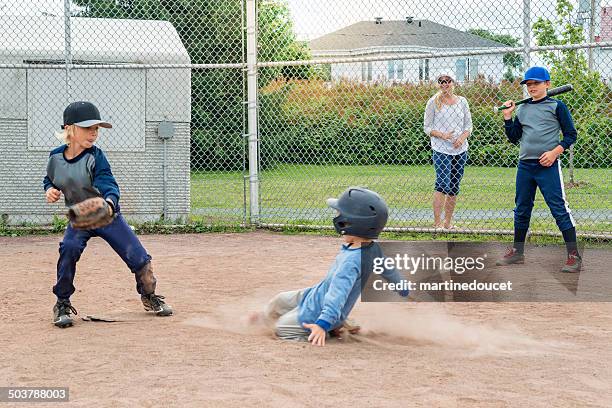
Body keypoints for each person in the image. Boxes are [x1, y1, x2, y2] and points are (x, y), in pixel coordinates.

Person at [44, 101, 173, 328]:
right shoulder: (55, 157)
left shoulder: (96, 157)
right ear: (69, 128)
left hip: (107, 216)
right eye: (87, 128)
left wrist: (110, 202)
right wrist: (50, 190)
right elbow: (51, 179)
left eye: (96, 128)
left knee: (139, 257)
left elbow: (107, 182)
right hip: (80, 218)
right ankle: (62, 302)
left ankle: (149, 295)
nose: (94, 133)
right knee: (68, 249)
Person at [250, 187, 409, 346]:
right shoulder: (372, 248)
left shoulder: (350, 262)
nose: (337, 217)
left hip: (316, 313)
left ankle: (327, 329)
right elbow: (388, 269)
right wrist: (401, 287)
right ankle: (263, 317)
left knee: (282, 327)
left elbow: (337, 294)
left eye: (340, 214)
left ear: (355, 222)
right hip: (315, 294)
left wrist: (323, 324)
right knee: (281, 299)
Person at [497, 66, 581, 272]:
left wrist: (554, 153)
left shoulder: (556, 106)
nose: (532, 87)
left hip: (548, 165)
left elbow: (571, 134)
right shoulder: (522, 109)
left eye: (536, 83)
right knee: (522, 208)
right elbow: (514, 137)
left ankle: (574, 256)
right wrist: (508, 117)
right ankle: (518, 253)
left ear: (547, 84)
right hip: (526, 165)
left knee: (559, 209)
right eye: (529, 84)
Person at [423, 73, 473, 230]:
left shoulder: (462, 101)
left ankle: (447, 224)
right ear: (438, 84)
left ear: (453, 82)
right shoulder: (433, 102)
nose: (445, 84)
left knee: (453, 186)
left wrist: (462, 138)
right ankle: (437, 224)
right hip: (441, 149)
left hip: (460, 149)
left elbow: (468, 126)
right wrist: (442, 135)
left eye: (448, 81)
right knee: (442, 184)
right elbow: (427, 127)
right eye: (441, 81)